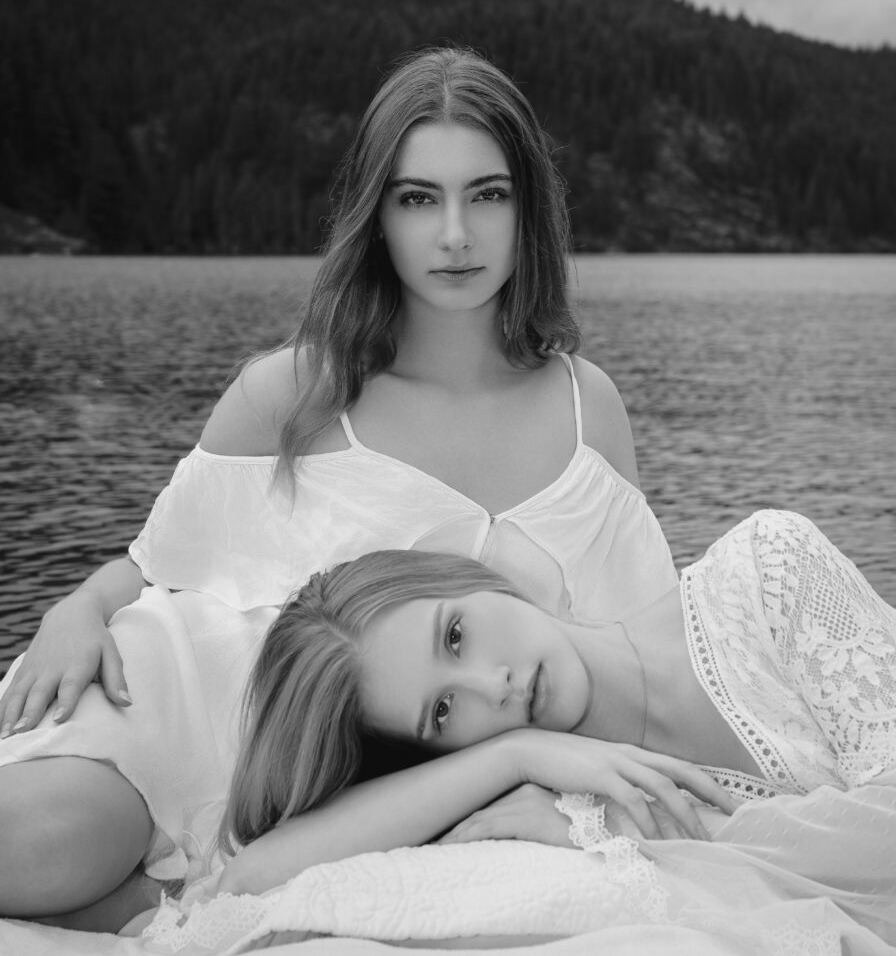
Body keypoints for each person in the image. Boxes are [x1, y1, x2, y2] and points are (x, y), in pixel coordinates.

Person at [0, 46, 684, 931]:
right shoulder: (296, 391)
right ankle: (157, 890)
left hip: (351, 804)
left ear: (530, 209)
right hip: (185, 709)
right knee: (45, 850)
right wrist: (76, 612)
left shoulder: (590, 411)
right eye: (417, 199)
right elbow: (152, 566)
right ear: (377, 216)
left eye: (487, 194)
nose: (455, 235)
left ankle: (171, 899)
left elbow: (642, 640)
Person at [214, 508, 896, 902]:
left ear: (470, 578)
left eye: (455, 635)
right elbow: (245, 880)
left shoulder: (766, 572)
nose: (492, 686)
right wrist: (514, 755)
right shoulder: (551, 802)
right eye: (443, 712)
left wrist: (637, 836)